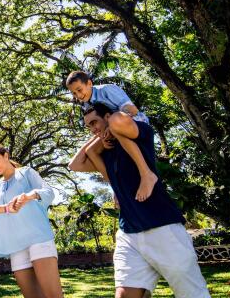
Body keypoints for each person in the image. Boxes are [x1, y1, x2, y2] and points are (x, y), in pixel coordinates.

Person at [68, 103, 210, 298]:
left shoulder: (141, 134)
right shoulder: (106, 153)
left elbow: (119, 121)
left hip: (163, 228)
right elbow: (75, 164)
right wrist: (98, 138)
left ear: (108, 116)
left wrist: (111, 128)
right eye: (88, 127)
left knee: (192, 294)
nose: (93, 129)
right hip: (129, 234)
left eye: (95, 122)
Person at [0, 144, 64, 298]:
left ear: (6, 156)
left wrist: (30, 196)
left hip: (39, 240)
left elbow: (48, 192)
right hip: (16, 248)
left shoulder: (27, 173)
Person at [66, 70, 157, 201]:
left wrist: (110, 126)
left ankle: (147, 174)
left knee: (114, 122)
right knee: (90, 150)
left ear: (89, 83)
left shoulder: (107, 90)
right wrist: (102, 137)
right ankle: (116, 187)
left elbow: (132, 110)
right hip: (113, 129)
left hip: (134, 123)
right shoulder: (87, 104)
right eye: (74, 93)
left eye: (79, 90)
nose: (78, 95)